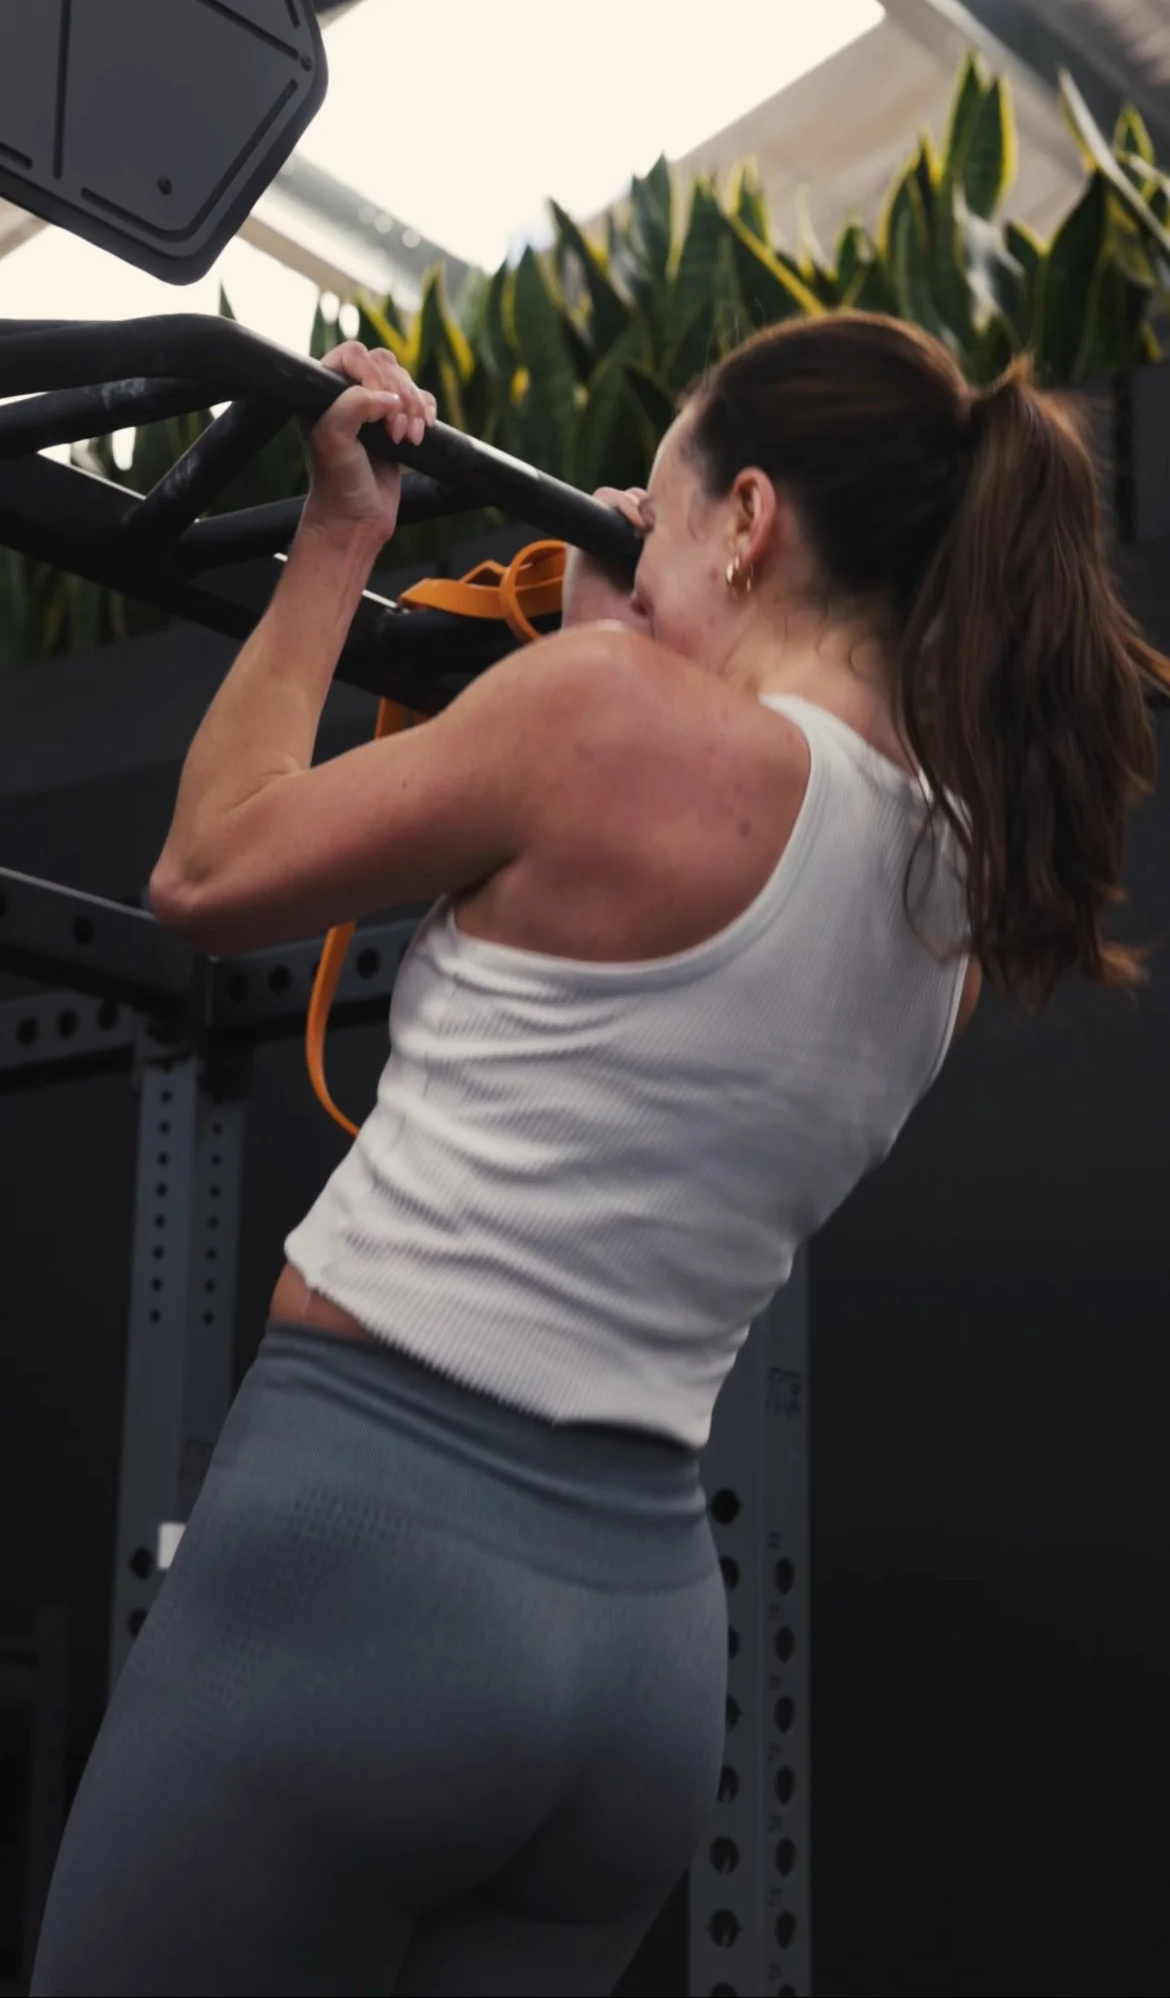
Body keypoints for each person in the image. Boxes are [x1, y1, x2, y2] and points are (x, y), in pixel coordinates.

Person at [32, 314, 1170, 1998]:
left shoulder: (606, 718)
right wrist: (617, 643)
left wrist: (339, 538)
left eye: (670, 489)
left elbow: (207, 869)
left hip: (359, 1573)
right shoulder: (949, 884)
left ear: (749, 518)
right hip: (632, 1667)